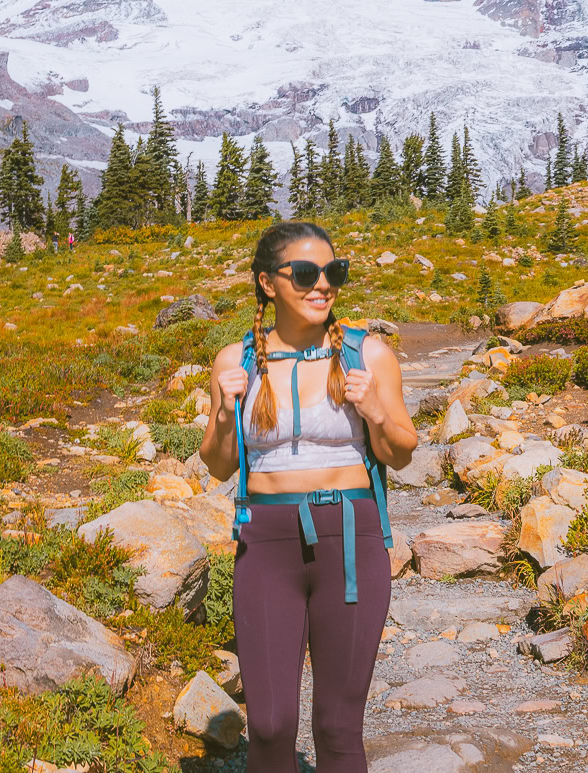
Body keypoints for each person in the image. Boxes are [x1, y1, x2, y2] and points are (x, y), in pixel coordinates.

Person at [201, 220, 417, 773]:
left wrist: (371, 412)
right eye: (304, 273)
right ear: (268, 283)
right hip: (265, 542)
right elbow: (219, 463)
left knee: (338, 727)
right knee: (269, 727)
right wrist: (227, 413)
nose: (322, 284)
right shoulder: (236, 361)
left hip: (350, 537)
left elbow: (401, 451)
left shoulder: (367, 355)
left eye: (333, 272)